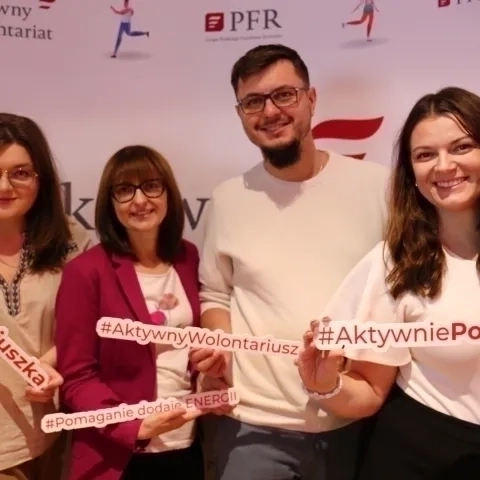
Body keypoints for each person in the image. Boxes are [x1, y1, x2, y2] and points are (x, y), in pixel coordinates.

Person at [188, 44, 391, 480]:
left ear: (311, 99)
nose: (269, 112)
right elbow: (216, 293)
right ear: (240, 114)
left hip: (354, 422)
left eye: (284, 95)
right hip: (250, 427)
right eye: (253, 102)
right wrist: (219, 346)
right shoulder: (227, 199)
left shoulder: (378, 187)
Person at [297, 86, 480, 479]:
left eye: (462, 147)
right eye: (425, 155)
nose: (444, 166)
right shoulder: (396, 263)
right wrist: (324, 384)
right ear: (411, 175)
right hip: (419, 455)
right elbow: (369, 392)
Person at [54, 145, 209, 480]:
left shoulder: (188, 257)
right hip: (118, 455)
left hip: (188, 444)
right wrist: (131, 425)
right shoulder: (85, 272)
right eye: (125, 190)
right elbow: (77, 377)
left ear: (168, 193)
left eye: (151, 186)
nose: (140, 200)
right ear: (110, 203)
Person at [0, 113, 92, 480]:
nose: (4, 186)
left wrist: (50, 363)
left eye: (20, 172)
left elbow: (89, 321)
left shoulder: (71, 240)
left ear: (41, 178)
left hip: (55, 434)